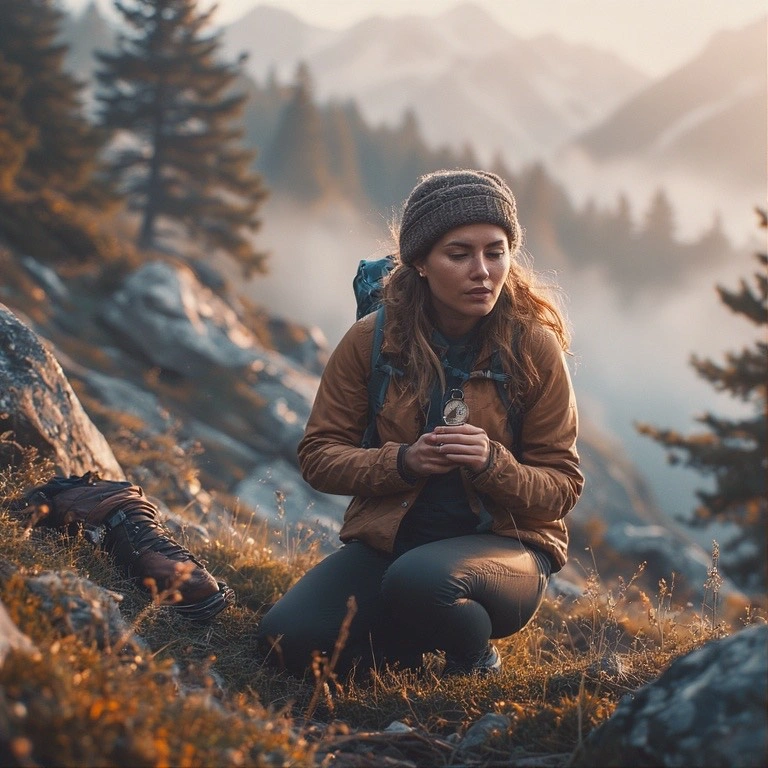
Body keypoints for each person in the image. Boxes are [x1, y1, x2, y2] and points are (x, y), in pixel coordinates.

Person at [256, 169, 584, 677]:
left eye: (496, 252)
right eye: (459, 254)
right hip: (393, 543)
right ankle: (410, 643)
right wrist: (403, 462)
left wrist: (491, 462)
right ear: (420, 263)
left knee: (422, 581)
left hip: (508, 550)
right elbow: (319, 455)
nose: (482, 271)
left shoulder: (533, 346)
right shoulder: (372, 340)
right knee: (284, 642)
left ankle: (475, 657)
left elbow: (562, 486)